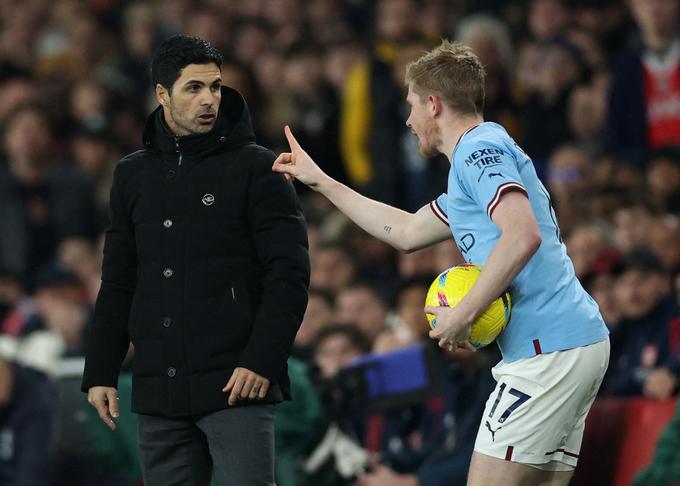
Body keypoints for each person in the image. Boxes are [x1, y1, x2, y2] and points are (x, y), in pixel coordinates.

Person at [273, 40, 609, 485]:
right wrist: (322, 182)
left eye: (411, 106)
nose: (409, 121)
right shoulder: (474, 162)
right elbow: (408, 233)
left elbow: (522, 234)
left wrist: (462, 315)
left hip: (547, 351)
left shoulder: (477, 149)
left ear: (433, 104)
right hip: (570, 343)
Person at [81, 35, 310, 486]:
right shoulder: (132, 174)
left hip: (238, 385)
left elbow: (289, 275)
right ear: (162, 94)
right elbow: (119, 280)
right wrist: (101, 370)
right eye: (193, 88)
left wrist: (262, 360)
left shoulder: (257, 169)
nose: (209, 99)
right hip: (158, 388)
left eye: (216, 87)